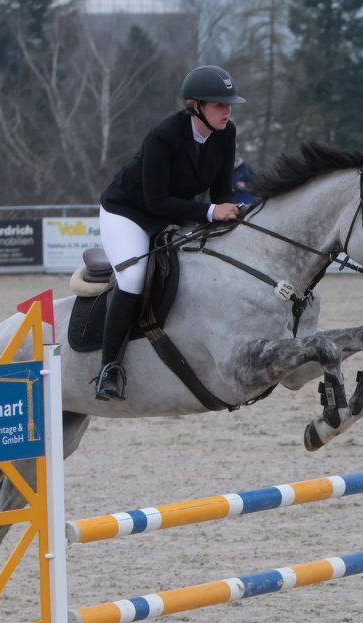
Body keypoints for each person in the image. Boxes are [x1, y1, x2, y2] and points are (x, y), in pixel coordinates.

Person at [95, 65, 245, 401]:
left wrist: (232, 210)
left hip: (172, 213)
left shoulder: (226, 133)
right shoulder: (163, 136)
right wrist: (210, 212)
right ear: (196, 106)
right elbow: (156, 201)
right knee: (133, 277)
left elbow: (222, 190)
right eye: (219, 105)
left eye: (228, 105)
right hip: (129, 213)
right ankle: (109, 369)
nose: (227, 111)